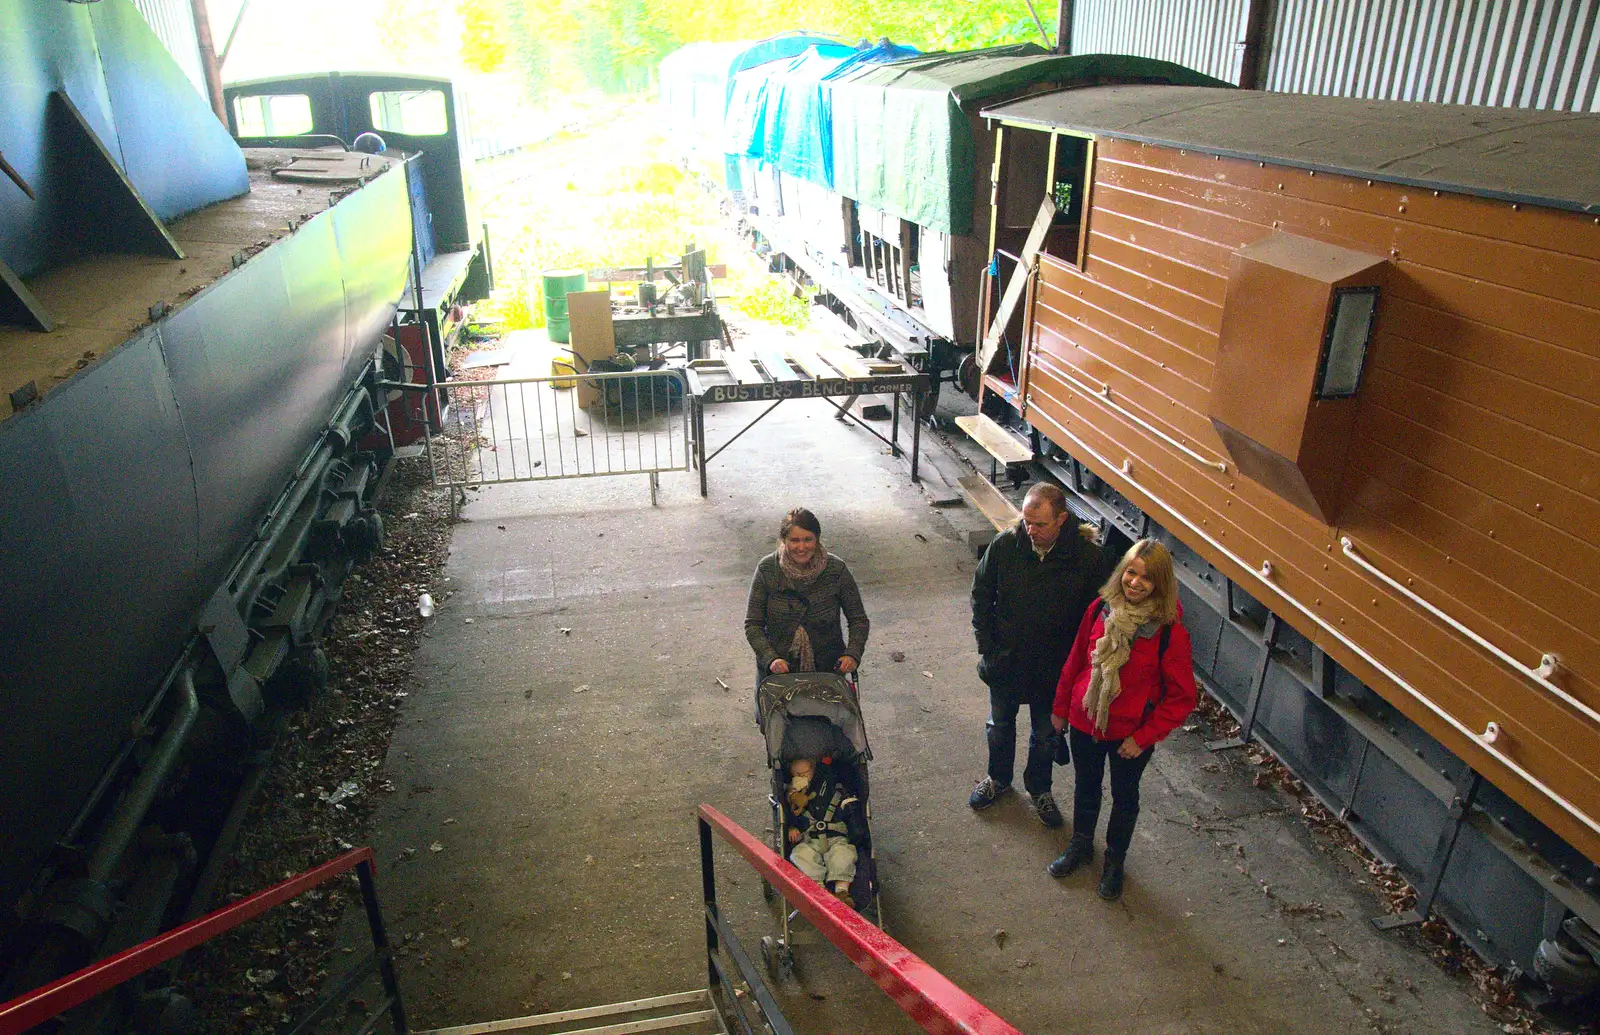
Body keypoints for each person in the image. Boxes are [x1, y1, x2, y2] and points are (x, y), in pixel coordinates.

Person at [1048, 538, 1197, 900]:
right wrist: (1060, 710)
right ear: (1122, 572)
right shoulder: (1100, 609)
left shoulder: (1168, 632)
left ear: (1160, 585)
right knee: (1086, 787)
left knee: (1124, 798)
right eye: (1131, 572)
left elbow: (1182, 698)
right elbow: (1076, 661)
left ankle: (1114, 861)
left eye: (1147, 579)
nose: (1135, 583)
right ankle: (1081, 845)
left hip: (1130, 736)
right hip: (1087, 722)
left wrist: (1143, 738)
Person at [969, 483, 1109, 827]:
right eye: (1027, 521)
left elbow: (1100, 613)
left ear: (1061, 520)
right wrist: (988, 646)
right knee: (999, 726)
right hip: (1007, 660)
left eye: (1040, 524)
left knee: (1046, 735)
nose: (1031, 530)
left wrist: (1082, 664)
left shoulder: (1087, 559)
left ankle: (1039, 788)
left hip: (1054, 668)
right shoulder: (1005, 546)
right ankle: (997, 779)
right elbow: (981, 593)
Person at [746, 508, 869, 693]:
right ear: (783, 540)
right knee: (776, 721)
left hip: (828, 669)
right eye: (794, 540)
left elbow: (858, 620)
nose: (801, 547)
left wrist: (852, 654)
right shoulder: (767, 570)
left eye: (808, 539)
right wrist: (770, 658)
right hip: (777, 673)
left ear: (817, 539)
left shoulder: (836, 570)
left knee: (832, 718)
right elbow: (753, 624)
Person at [784, 757, 866, 905]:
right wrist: (792, 827)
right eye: (797, 774)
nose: (801, 777)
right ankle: (819, 889)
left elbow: (846, 800)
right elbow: (791, 814)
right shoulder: (793, 795)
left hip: (835, 835)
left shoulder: (829, 784)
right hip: (809, 838)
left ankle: (841, 890)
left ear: (814, 771)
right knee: (799, 855)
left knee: (843, 854)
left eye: (805, 773)